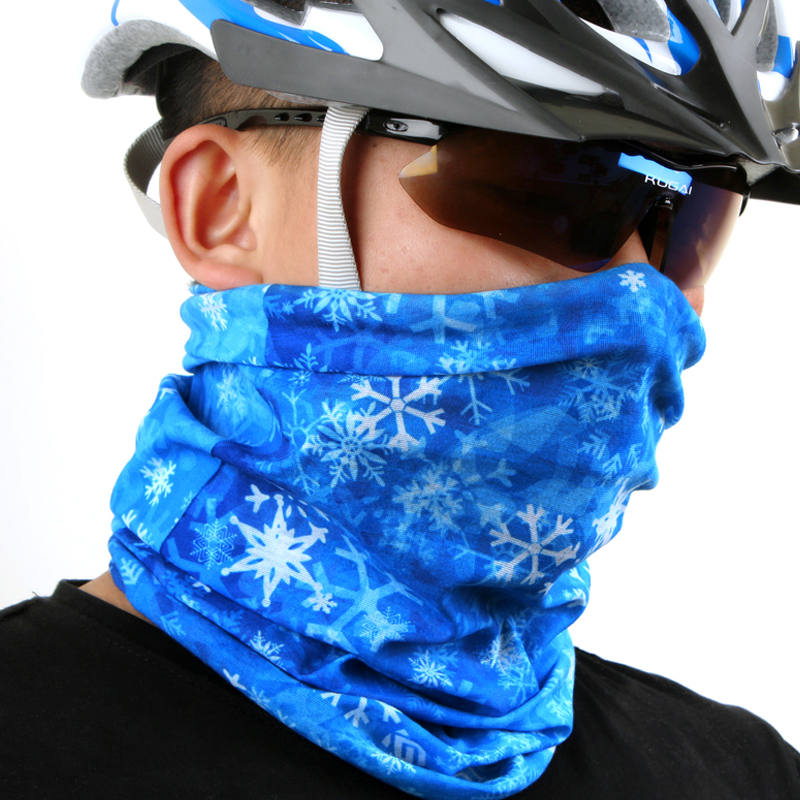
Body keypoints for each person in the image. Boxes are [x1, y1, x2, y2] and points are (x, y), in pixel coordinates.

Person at [1, 0, 799, 797]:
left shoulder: (742, 776)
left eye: (686, 220)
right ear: (221, 208)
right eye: (548, 185)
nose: (643, 296)